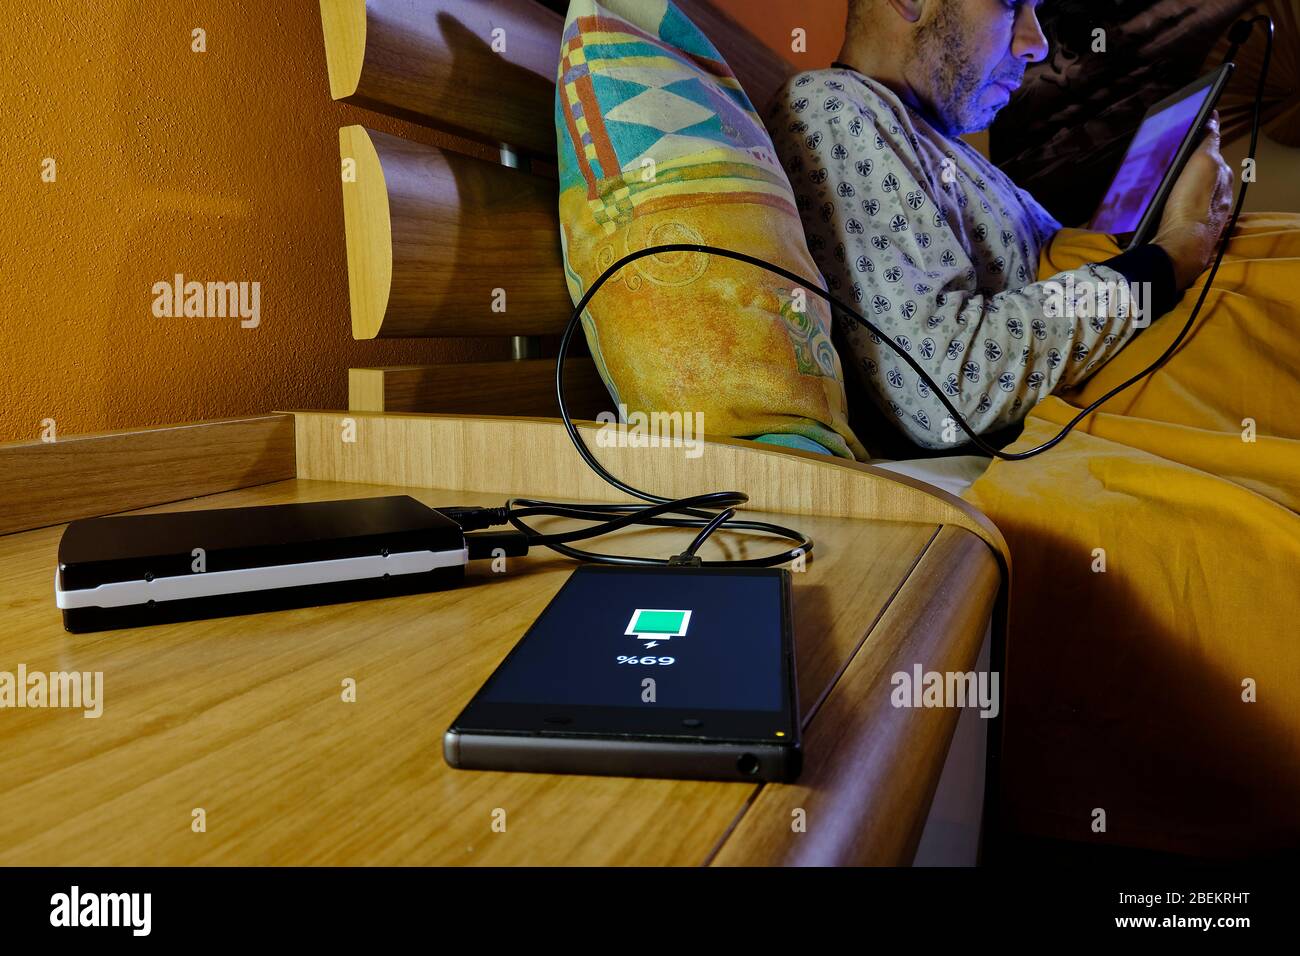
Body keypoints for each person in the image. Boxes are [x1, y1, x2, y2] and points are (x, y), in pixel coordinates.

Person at [768, 0, 1234, 451]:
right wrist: (1172, 254)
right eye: (1011, 6)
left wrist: (1121, 235)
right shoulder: (828, 105)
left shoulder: (939, 142)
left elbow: (1049, 274)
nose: (1037, 46)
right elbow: (945, 388)